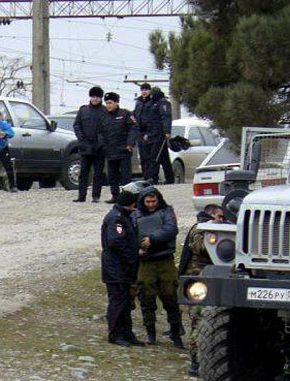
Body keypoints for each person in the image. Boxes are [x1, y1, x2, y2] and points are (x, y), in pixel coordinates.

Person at [131, 186, 183, 348]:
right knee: (146, 297)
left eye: (154, 201)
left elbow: (171, 229)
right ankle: (150, 332)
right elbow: (131, 235)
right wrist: (137, 249)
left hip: (165, 259)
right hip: (146, 261)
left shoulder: (166, 211)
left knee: (170, 297)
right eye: (148, 201)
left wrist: (152, 239)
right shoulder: (135, 214)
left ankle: (175, 332)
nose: (151, 204)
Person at [179, 204, 224, 377]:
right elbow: (200, 248)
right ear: (211, 215)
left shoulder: (209, 228)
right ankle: (195, 362)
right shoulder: (200, 230)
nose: (221, 220)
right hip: (199, 281)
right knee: (198, 322)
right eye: (219, 217)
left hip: (207, 280)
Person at [101, 190, 144, 347]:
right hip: (116, 268)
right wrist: (133, 254)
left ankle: (127, 332)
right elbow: (116, 243)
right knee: (118, 301)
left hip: (122, 268)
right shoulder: (117, 219)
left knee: (126, 302)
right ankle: (115, 333)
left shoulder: (123, 216)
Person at [98, 92, 138, 204]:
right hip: (110, 151)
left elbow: (133, 129)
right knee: (112, 176)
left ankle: (127, 198)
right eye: (106, 103)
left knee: (126, 177)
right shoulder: (104, 117)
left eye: (110, 103)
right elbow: (100, 133)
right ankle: (115, 196)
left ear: (116, 102)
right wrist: (103, 146)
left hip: (124, 150)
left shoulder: (125, 114)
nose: (108, 105)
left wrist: (130, 144)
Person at [134, 84, 174, 184]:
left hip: (158, 134)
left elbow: (165, 117)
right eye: (142, 89)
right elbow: (146, 119)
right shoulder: (141, 102)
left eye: (147, 90)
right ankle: (167, 178)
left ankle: (153, 178)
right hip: (148, 133)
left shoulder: (162, 103)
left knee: (154, 157)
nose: (145, 92)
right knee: (163, 158)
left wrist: (167, 132)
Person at [73, 86, 106, 203]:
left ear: (101, 98)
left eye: (97, 96)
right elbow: (77, 125)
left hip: (99, 148)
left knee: (98, 173)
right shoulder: (83, 110)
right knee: (83, 173)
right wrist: (81, 138)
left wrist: (101, 142)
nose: (95, 99)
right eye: (93, 96)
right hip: (85, 146)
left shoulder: (105, 111)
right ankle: (81, 196)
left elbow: (107, 128)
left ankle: (96, 196)